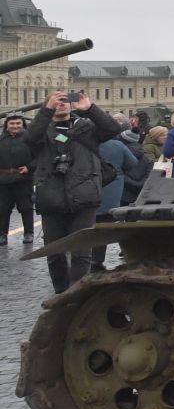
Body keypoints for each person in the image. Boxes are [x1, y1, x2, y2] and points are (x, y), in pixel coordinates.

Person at [24, 92, 121, 292]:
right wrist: (46, 110)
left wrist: (90, 108)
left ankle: (76, 293)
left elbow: (112, 129)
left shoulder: (86, 128)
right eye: (56, 102)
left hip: (84, 196)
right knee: (55, 252)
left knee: (81, 251)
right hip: (51, 198)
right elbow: (30, 138)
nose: (62, 105)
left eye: (65, 102)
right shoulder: (43, 131)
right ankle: (60, 292)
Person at [94, 133, 142, 273]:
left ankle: (86, 259)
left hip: (84, 188)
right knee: (106, 223)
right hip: (112, 188)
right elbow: (132, 163)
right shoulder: (117, 145)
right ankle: (97, 259)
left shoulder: (80, 143)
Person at [1, 113, 33, 247]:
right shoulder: (1, 140)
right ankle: (2, 234)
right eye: (12, 124)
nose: (15, 126)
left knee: (25, 207)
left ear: (22, 124)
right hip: (3, 180)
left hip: (23, 179)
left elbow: (39, 157)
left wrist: (29, 167)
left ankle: (28, 232)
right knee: (2, 209)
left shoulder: (30, 139)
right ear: (7, 126)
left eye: (18, 123)